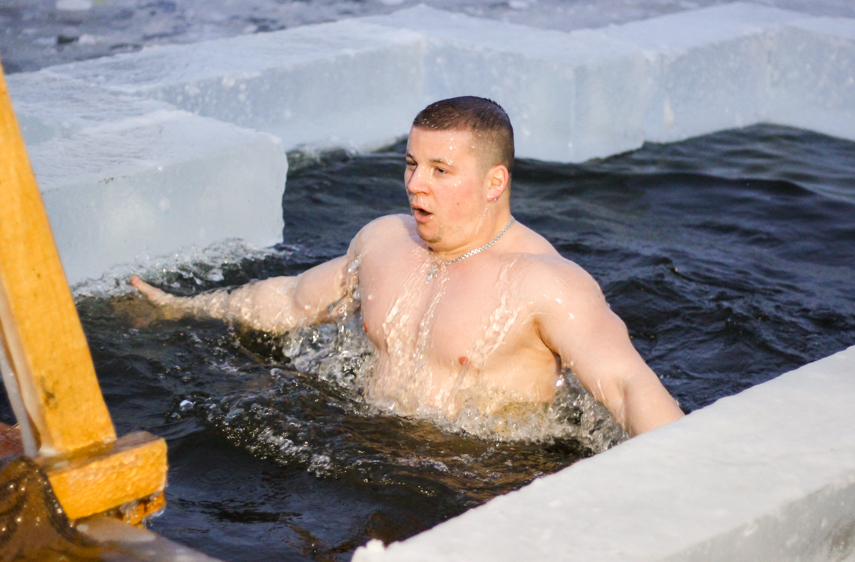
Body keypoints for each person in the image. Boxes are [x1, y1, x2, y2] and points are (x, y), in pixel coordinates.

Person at [131, 96, 684, 437]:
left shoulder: (546, 285)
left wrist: (696, 477)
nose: (416, 184)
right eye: (412, 164)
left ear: (496, 182)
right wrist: (183, 307)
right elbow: (294, 302)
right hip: (365, 450)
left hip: (480, 483)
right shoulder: (383, 242)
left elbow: (627, 387)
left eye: (441, 170)